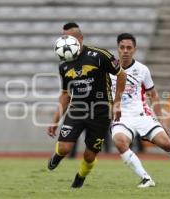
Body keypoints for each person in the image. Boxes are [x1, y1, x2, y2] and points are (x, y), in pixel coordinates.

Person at [110, 33, 170, 188]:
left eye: (129, 48)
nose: (125, 51)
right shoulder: (108, 69)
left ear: (134, 50)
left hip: (142, 115)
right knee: (120, 142)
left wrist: (161, 120)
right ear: (118, 49)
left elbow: (153, 95)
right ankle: (146, 178)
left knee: (166, 144)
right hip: (121, 117)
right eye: (122, 47)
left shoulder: (142, 70)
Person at [46, 22, 126, 188]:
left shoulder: (99, 55)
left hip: (101, 111)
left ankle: (80, 177)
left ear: (80, 38)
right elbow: (65, 94)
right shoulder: (64, 64)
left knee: (90, 156)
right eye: (63, 38)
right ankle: (58, 155)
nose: (66, 41)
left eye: (69, 38)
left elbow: (121, 74)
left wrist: (117, 102)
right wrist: (55, 120)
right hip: (78, 109)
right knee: (64, 147)